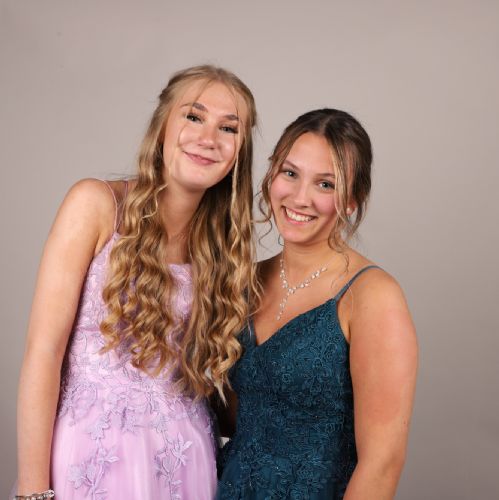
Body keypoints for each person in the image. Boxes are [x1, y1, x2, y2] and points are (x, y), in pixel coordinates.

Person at [15, 65, 259, 500]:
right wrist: (33, 492)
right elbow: (43, 352)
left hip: (186, 460)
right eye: (194, 116)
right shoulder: (95, 205)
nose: (209, 138)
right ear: (162, 125)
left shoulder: (225, 247)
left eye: (228, 128)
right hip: (91, 454)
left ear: (240, 150)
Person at [216, 108, 418, 499]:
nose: (300, 197)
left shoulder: (372, 296)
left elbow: (382, 464)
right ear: (271, 175)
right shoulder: (244, 281)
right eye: (290, 173)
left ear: (351, 201)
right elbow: (244, 413)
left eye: (325, 184)